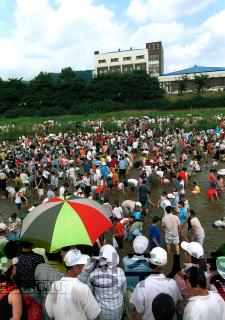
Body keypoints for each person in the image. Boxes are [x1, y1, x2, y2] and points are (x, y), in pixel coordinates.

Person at [45, 249, 100, 320]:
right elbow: (95, 316)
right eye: (82, 265)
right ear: (76, 268)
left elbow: (50, 314)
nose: (83, 266)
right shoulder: (83, 288)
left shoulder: (54, 286)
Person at [130, 247, 182, 320]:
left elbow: (138, 313)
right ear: (165, 264)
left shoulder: (141, 285)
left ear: (149, 263)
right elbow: (176, 304)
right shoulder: (172, 283)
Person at [88, 245, 127, 320]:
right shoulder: (120, 272)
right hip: (117, 309)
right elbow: (124, 291)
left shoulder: (93, 274)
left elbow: (90, 293)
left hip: (100, 311)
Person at [174, 241, 208, 317]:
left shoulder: (181, 275)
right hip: (203, 310)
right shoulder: (208, 270)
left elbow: (175, 295)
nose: (185, 253)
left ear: (190, 256)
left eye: (186, 252)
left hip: (185, 312)